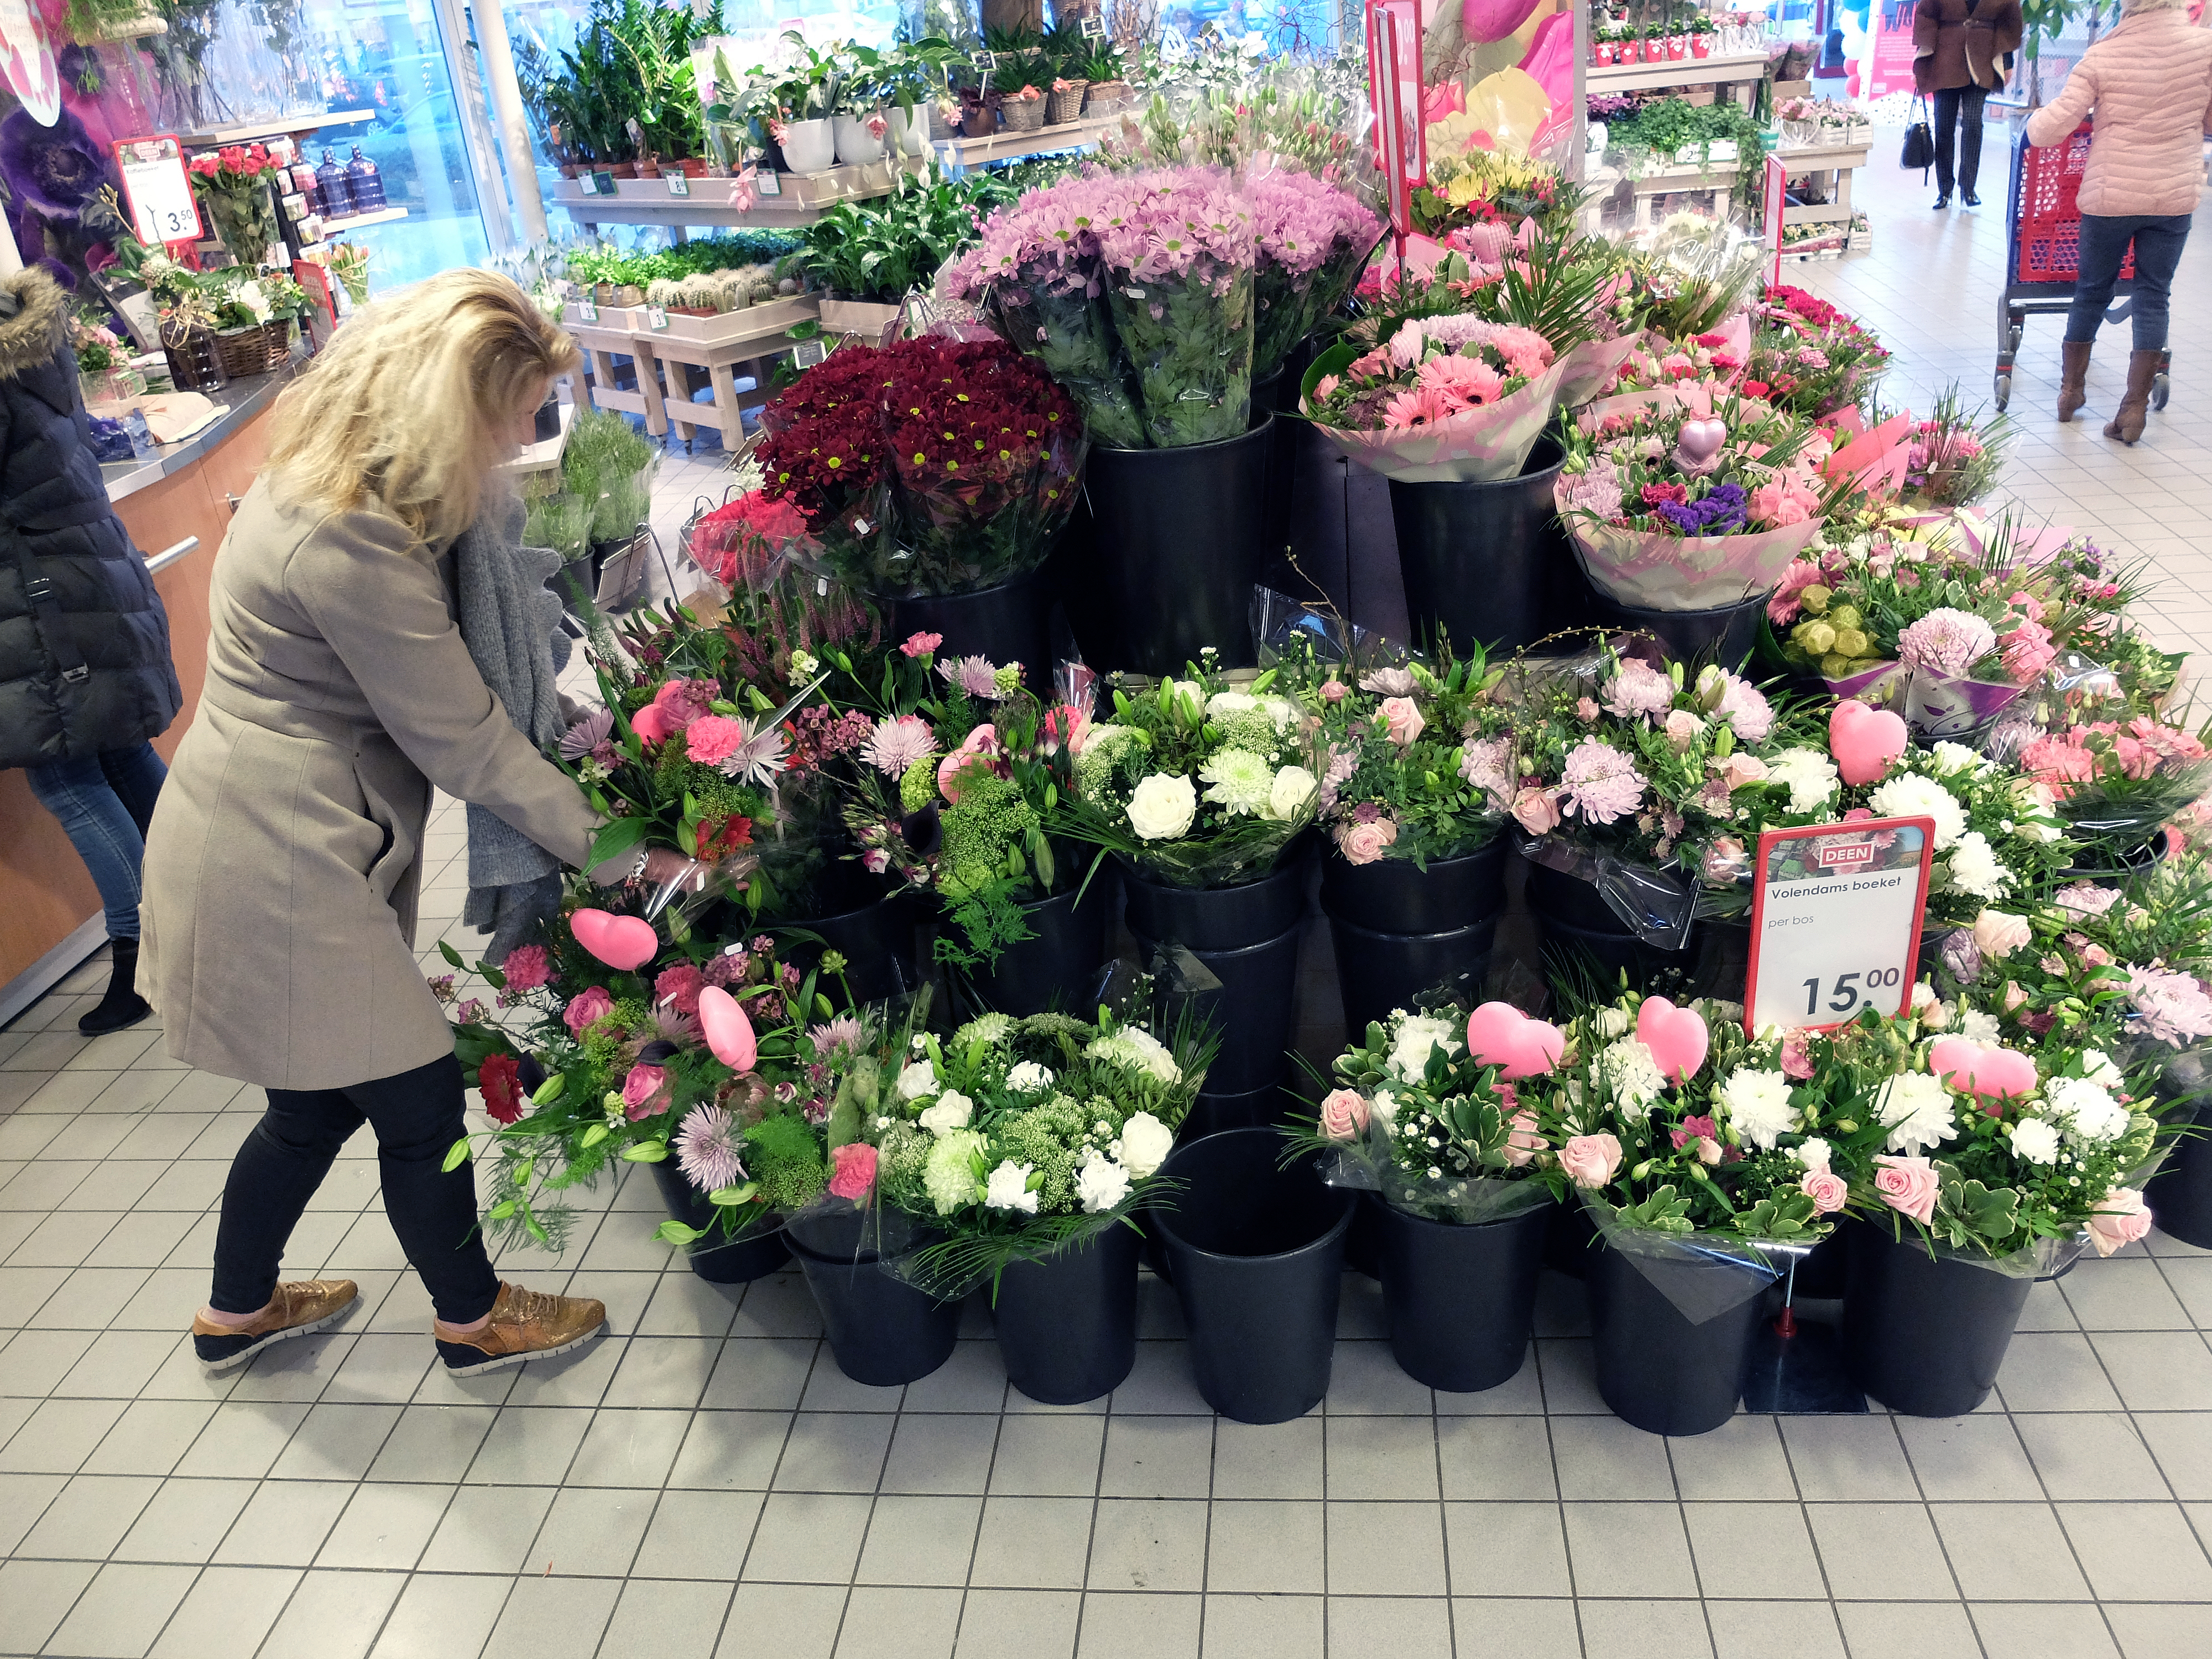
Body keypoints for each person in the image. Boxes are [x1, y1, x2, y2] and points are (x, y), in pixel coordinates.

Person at [141, 271, 694, 1374]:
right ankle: (473, 1319)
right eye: (509, 420)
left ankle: (235, 1313)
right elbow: (467, 741)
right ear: (447, 408)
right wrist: (631, 853)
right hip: (279, 861)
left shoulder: (335, 479)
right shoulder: (349, 537)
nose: (514, 447)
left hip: (270, 828)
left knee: (307, 1111)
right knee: (414, 1096)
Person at [1, 266, 182, 1036]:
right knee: (117, 754)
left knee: (69, 779)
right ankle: (210, 904)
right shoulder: (24, 336)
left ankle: (147, 958)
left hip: (40, 592)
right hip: (81, 577)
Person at [2028, 0, 2212, 443]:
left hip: (2111, 198)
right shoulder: (2204, 47)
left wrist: (2032, 124)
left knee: (2091, 290)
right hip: (2173, 195)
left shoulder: (2104, 54)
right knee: (2154, 294)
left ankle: (2071, 393)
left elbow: (2049, 129)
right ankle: (2133, 410)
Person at [1913, 0, 2024, 208]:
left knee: (1973, 124)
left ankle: (1969, 188)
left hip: (1982, 62)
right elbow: (1927, 17)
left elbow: (2007, 22)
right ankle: (1944, 190)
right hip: (1944, 62)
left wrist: (2007, 63)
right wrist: (1922, 60)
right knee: (1944, 128)